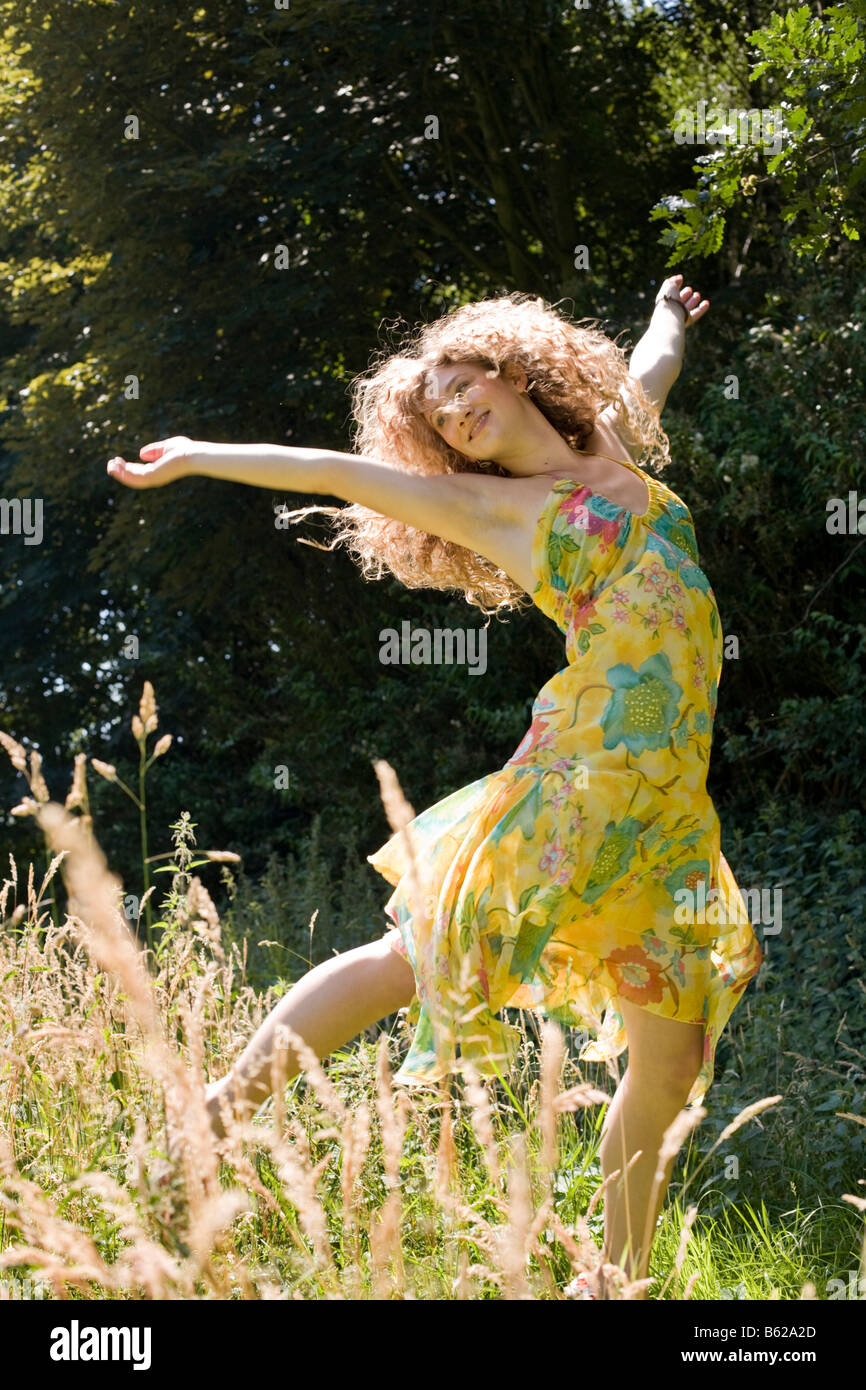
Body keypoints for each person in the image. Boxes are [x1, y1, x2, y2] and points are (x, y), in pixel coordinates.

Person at [106, 274, 763, 1298]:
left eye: (463, 381)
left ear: (515, 370)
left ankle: (611, 1283)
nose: (454, 408)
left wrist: (668, 317)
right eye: (439, 412)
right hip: (580, 775)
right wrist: (196, 457)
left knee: (670, 1062)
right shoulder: (487, 505)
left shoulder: (611, 448)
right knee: (416, 950)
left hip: (667, 810)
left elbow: (649, 368)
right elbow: (331, 470)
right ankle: (214, 1119)